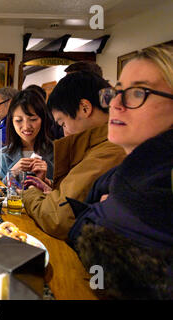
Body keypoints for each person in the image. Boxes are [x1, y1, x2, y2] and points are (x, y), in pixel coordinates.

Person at [67, 45, 173, 299]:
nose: (115, 104)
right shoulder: (123, 176)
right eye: (116, 91)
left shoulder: (155, 186)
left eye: (138, 92)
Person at [21, 71, 126, 239]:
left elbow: (58, 218)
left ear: (85, 108)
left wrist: (30, 192)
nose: (64, 133)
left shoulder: (108, 151)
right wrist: (52, 189)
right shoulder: (99, 146)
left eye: (63, 123)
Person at [0, 89, 54, 183]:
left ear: (43, 119)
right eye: (18, 120)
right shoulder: (2, 155)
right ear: (11, 122)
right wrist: (12, 173)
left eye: (33, 119)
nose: (26, 127)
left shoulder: (57, 152)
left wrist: (45, 181)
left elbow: (66, 191)